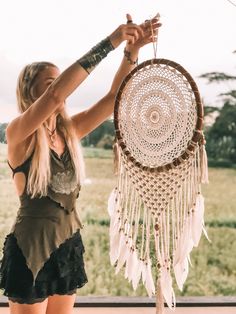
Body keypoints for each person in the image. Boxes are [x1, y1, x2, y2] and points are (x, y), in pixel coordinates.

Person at [0, 13, 161, 314]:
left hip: (67, 246)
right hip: (30, 251)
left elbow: (116, 96)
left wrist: (132, 51)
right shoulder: (18, 133)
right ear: (31, 91)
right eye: (50, 82)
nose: (62, 89)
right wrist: (111, 42)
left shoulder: (69, 131)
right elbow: (57, 93)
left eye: (58, 80)